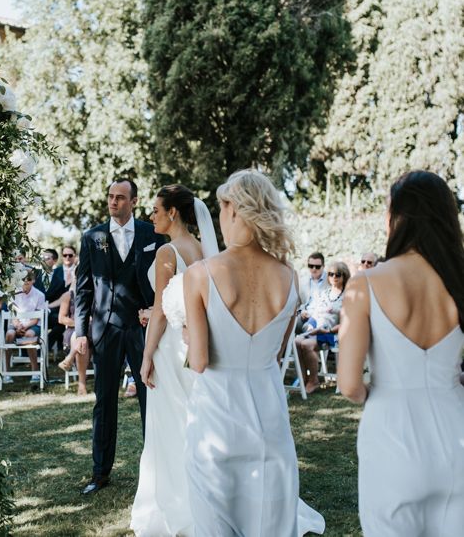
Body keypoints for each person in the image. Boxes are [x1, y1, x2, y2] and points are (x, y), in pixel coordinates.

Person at [184, 170, 324, 536]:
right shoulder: (290, 277)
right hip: (269, 417)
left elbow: (198, 360)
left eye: (221, 208)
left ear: (233, 210)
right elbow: (276, 355)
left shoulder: (200, 274)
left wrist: (185, 332)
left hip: (215, 418)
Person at [338, 171, 464, 536]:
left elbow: (348, 384)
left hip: (392, 437)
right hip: (455, 434)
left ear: (397, 217)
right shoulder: (457, 279)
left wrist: (371, 392)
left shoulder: (365, 283)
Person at [130, 185, 217, 536]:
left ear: (173, 213)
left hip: (169, 347)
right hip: (192, 343)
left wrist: (147, 355)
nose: (151, 215)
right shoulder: (201, 248)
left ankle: (176, 500)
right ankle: (205, 495)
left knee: (169, 424)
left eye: (155, 209)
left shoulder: (168, 252)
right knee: (193, 420)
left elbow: (163, 313)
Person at [74, 178, 165, 495]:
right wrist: (79, 332)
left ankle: (156, 470)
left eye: (121, 197)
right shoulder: (92, 237)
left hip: (142, 328)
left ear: (134, 202)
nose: (113, 202)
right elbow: (83, 288)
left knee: (149, 400)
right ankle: (100, 473)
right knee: (104, 402)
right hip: (106, 328)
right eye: (110, 196)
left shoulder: (151, 234)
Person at [295, 261, 349, 394]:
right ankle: (304, 379)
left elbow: (347, 323)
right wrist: (309, 327)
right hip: (317, 330)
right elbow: (315, 315)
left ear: (344, 276)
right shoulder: (324, 293)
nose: (334, 277)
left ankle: (314, 380)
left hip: (333, 333)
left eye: (338, 274)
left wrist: (329, 330)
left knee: (307, 344)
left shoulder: (347, 297)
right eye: (331, 274)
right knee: (296, 342)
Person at [4, 270, 45, 384]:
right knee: (9, 335)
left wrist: (25, 326)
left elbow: (36, 319)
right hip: (17, 323)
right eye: (23, 282)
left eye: (28, 282)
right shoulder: (14, 293)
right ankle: (6, 371)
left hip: (32, 324)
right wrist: (17, 325)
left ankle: (35, 371)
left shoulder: (39, 295)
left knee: (29, 335)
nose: (25, 285)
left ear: (33, 281)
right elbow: (12, 313)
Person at [56, 283, 92, 395]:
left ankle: (69, 359)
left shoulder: (96, 292)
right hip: (73, 329)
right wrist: (80, 324)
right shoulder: (68, 295)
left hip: (93, 329)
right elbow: (61, 319)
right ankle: (82, 384)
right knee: (79, 337)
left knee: (81, 338)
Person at [34, 248, 70, 357]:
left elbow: (61, 300)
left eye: (47, 258)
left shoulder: (60, 281)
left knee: (61, 323)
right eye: (42, 258)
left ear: (54, 261)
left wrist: (49, 308)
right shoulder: (34, 276)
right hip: (34, 313)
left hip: (51, 313)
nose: (44, 260)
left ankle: (45, 347)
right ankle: (28, 352)